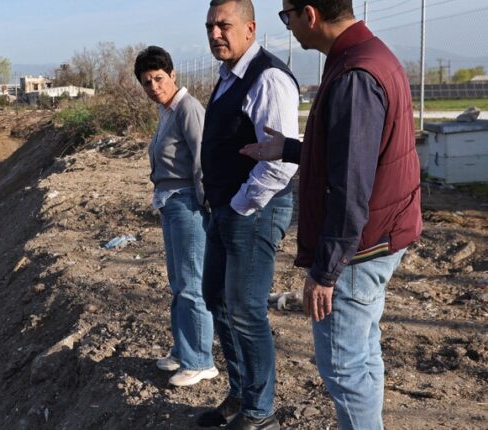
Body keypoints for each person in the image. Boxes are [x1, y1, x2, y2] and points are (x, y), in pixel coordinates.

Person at [239, 1, 422, 429]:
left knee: (343, 368)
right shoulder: (369, 56)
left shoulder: (355, 74)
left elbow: (351, 186)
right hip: (378, 235)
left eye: (287, 16)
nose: (288, 26)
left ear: (310, 14)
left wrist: (325, 272)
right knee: (362, 357)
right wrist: (289, 149)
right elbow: (353, 155)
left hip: (357, 250)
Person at [194, 1, 299, 429]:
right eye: (210, 26)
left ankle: (260, 412)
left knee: (245, 309)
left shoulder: (268, 78)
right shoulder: (228, 77)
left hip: (254, 210)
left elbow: (280, 161)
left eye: (224, 25)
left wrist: (239, 204)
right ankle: (240, 395)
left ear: (250, 28)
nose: (215, 33)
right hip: (225, 208)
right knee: (216, 298)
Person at [133, 46, 218, 387]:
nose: (154, 87)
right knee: (178, 284)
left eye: (158, 78)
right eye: (146, 82)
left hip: (188, 204)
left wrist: (206, 206)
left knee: (191, 284)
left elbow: (203, 161)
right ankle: (184, 351)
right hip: (170, 202)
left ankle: (200, 361)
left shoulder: (187, 108)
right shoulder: (166, 111)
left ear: (172, 75)